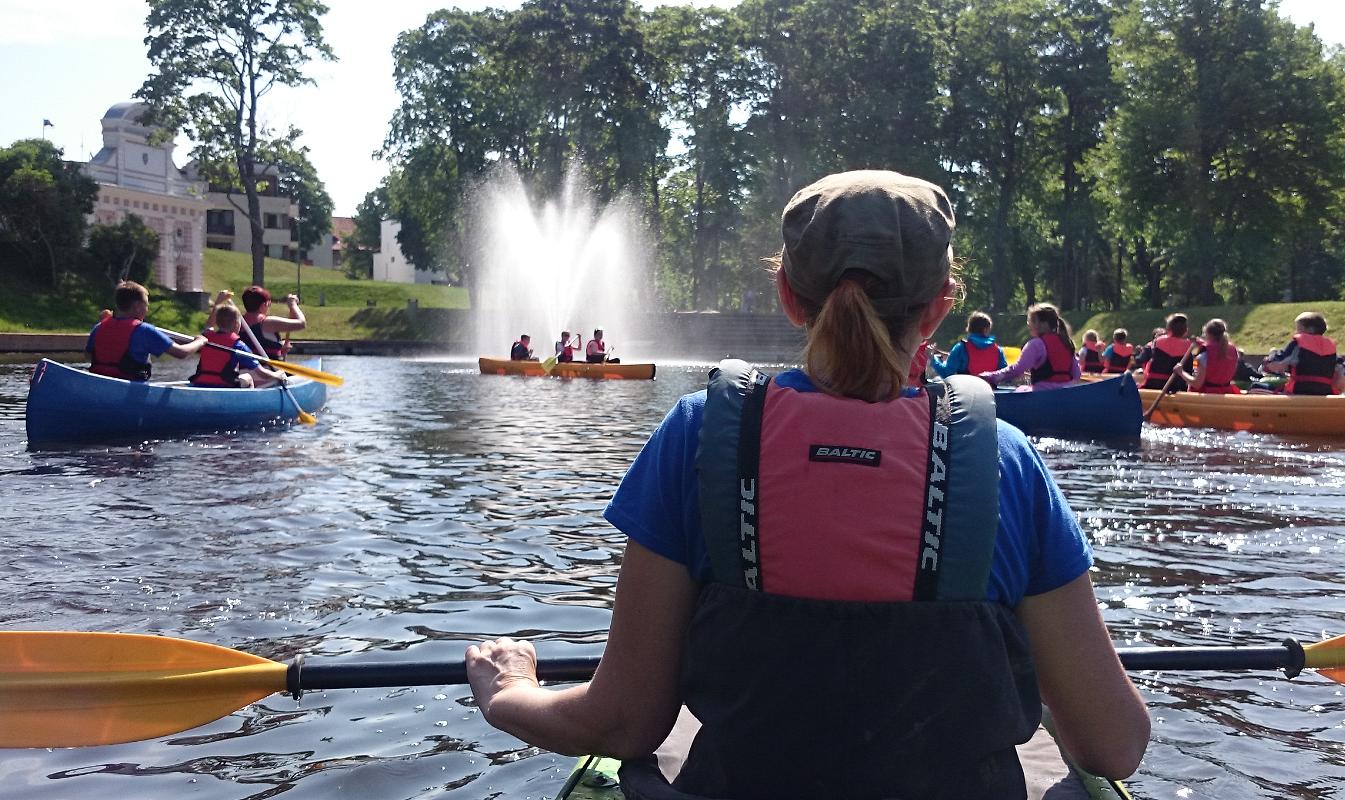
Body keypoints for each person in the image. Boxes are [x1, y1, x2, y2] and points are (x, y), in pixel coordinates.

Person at [462, 170, 1148, 798]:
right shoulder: (1007, 460)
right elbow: (1114, 744)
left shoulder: (696, 437)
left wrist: (508, 695)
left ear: (789, 295)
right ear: (939, 307)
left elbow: (623, 724)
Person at [85, 281, 204, 381]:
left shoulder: (99, 327)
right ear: (137, 306)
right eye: (146, 305)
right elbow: (181, 353)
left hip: (99, 383)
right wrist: (200, 341)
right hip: (131, 390)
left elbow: (88, 356)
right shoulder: (144, 330)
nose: (147, 310)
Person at [978, 303, 1082, 391]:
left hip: (1042, 394)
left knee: (1020, 390)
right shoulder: (1067, 343)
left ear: (1043, 324)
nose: (1029, 325)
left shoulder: (1036, 344)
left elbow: (1016, 370)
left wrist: (990, 377)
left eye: (1032, 321)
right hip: (1066, 392)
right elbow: (1076, 374)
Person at [191, 304, 286, 388]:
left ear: (217, 323)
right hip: (223, 386)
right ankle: (250, 402)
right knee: (247, 377)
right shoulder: (239, 346)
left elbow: (208, 326)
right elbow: (261, 373)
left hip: (199, 383)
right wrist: (277, 375)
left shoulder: (205, 338)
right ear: (237, 324)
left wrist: (219, 301)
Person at [1262, 311, 1345, 395]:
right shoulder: (1331, 348)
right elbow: (1343, 379)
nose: (1296, 332)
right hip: (1325, 392)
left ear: (1310, 329)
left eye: (1298, 329)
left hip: (1299, 391)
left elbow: (1276, 364)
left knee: (1256, 387)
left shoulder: (1298, 344)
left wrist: (1272, 355)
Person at [928, 310, 1006, 379]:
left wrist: (933, 359)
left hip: (967, 393)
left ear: (969, 328)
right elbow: (1004, 374)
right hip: (991, 393)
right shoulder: (998, 350)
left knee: (937, 380)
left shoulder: (961, 348)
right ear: (986, 330)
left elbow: (946, 373)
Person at [237, 286, 306, 360]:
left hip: (245, 367)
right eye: (268, 304)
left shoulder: (237, 322)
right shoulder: (267, 323)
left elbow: (254, 345)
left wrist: (279, 348)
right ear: (263, 305)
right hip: (269, 369)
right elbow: (301, 323)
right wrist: (293, 304)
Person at [1134, 314, 1195, 391]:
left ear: (1168, 329)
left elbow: (1141, 359)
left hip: (1153, 385)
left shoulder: (1157, 341)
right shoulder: (1188, 346)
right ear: (1186, 330)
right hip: (1176, 387)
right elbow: (1189, 371)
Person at [1188, 318, 1243, 395]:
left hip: (1208, 395)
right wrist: (1200, 342)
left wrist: (1180, 372)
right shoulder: (1234, 351)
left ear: (1208, 334)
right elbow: (1217, 349)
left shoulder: (1201, 357)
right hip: (1227, 391)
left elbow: (1197, 384)